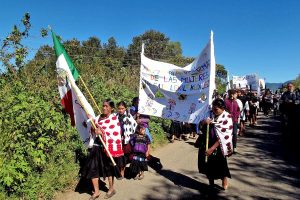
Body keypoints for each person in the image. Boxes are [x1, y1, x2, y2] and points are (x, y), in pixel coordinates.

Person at [196, 98, 233, 190]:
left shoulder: (227, 117)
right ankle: (211, 182)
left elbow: (224, 136)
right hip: (207, 142)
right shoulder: (209, 115)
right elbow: (200, 125)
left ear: (222, 108)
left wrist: (212, 148)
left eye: (216, 109)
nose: (213, 110)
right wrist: (204, 122)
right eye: (213, 108)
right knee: (207, 164)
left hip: (219, 146)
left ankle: (224, 179)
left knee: (221, 165)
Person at [94, 99, 125, 199]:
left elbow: (115, 132)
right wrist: (94, 128)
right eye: (103, 106)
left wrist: (102, 132)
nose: (104, 108)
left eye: (107, 106)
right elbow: (93, 128)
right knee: (97, 168)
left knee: (109, 168)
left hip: (110, 148)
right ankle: (97, 190)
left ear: (111, 108)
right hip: (99, 147)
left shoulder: (114, 119)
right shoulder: (98, 117)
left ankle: (111, 189)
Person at [116, 101, 137, 177]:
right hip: (117, 140)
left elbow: (134, 126)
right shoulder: (115, 116)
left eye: (122, 108)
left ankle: (123, 171)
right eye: (119, 108)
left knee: (125, 156)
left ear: (125, 108)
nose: (120, 110)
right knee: (119, 155)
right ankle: (119, 169)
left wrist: (130, 136)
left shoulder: (128, 116)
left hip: (126, 140)